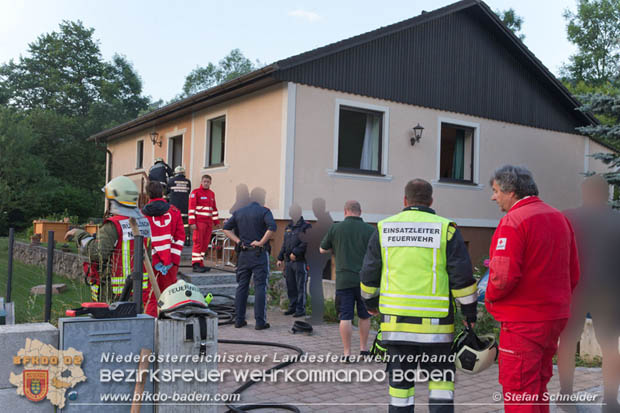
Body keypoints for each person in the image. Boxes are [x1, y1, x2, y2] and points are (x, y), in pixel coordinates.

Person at [360, 180, 478, 413]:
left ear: (405, 201)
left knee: (400, 391)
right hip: (437, 331)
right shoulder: (447, 229)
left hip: (396, 328)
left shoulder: (384, 228)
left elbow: (368, 274)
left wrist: (370, 303)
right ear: (431, 201)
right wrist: (469, 313)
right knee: (441, 388)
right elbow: (462, 278)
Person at [485, 165, 579, 413]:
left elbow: (502, 278)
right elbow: (574, 272)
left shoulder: (513, 221)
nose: (493, 197)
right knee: (537, 386)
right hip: (554, 318)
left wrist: (490, 301)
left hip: (523, 323)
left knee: (518, 391)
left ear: (511, 191)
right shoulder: (559, 218)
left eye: (495, 191)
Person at [558, 175, 620, 413]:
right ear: (607, 194)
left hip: (574, 289)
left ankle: (565, 395)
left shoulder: (567, 218)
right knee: (610, 346)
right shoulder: (617, 220)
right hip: (609, 290)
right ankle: (611, 400)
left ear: (584, 193)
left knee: (566, 343)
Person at [65, 176, 151, 304]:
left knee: (111, 323)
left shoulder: (113, 224)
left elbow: (96, 253)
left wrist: (79, 234)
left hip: (115, 292)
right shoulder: (144, 221)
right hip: (139, 288)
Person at [320, 200, 375, 360]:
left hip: (344, 279)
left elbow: (322, 249)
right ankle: (364, 349)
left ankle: (346, 353)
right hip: (364, 280)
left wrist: (336, 247)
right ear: (360, 211)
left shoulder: (336, 228)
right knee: (365, 315)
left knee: (345, 316)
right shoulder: (370, 230)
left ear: (345, 211)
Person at [222, 188, 276, 330]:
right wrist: (261, 242)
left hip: (243, 255)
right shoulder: (265, 211)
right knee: (260, 287)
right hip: (258, 254)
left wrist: (238, 241)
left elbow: (226, 228)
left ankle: (239, 320)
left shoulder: (239, 212)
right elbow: (272, 227)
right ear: (262, 198)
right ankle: (260, 322)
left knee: (242, 287)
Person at [141, 181, 185, 317]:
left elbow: (142, 241)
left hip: (150, 264)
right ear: (163, 193)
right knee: (169, 297)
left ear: (148, 194)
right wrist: (171, 261)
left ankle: (150, 330)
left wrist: (154, 260)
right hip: (169, 264)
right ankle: (168, 328)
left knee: (150, 297)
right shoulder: (174, 211)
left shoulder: (142, 214)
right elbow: (180, 237)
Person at [277, 204, 311, 317]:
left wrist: (295, 252)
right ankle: (292, 307)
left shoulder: (306, 226)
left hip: (299, 261)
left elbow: (306, 242)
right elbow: (284, 243)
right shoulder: (288, 226)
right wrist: (280, 257)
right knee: (290, 285)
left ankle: (300, 309)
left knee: (300, 286)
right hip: (288, 262)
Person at [189, 174, 219, 273]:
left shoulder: (212, 194)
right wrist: (192, 222)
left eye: (208, 182)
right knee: (198, 242)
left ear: (210, 183)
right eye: (204, 181)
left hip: (208, 223)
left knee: (205, 244)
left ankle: (200, 263)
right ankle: (195, 264)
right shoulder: (195, 192)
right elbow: (191, 208)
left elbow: (214, 209)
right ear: (201, 182)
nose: (206, 183)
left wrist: (216, 221)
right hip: (199, 222)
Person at [167, 165, 192, 244]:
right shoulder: (188, 182)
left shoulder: (171, 181)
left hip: (174, 207)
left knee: (173, 223)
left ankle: (174, 239)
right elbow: (188, 192)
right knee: (185, 224)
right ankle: (187, 239)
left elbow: (167, 191)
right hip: (185, 206)